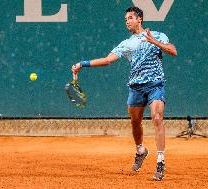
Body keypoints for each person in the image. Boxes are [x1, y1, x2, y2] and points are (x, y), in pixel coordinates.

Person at [71, 6, 177, 180]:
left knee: (157, 117)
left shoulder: (158, 35)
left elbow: (173, 51)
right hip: (136, 87)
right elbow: (107, 60)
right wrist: (83, 63)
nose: (127, 22)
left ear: (139, 19)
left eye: (130, 18)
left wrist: (154, 42)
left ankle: (160, 161)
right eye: (125, 19)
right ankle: (141, 150)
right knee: (135, 122)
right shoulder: (126, 43)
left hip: (155, 84)